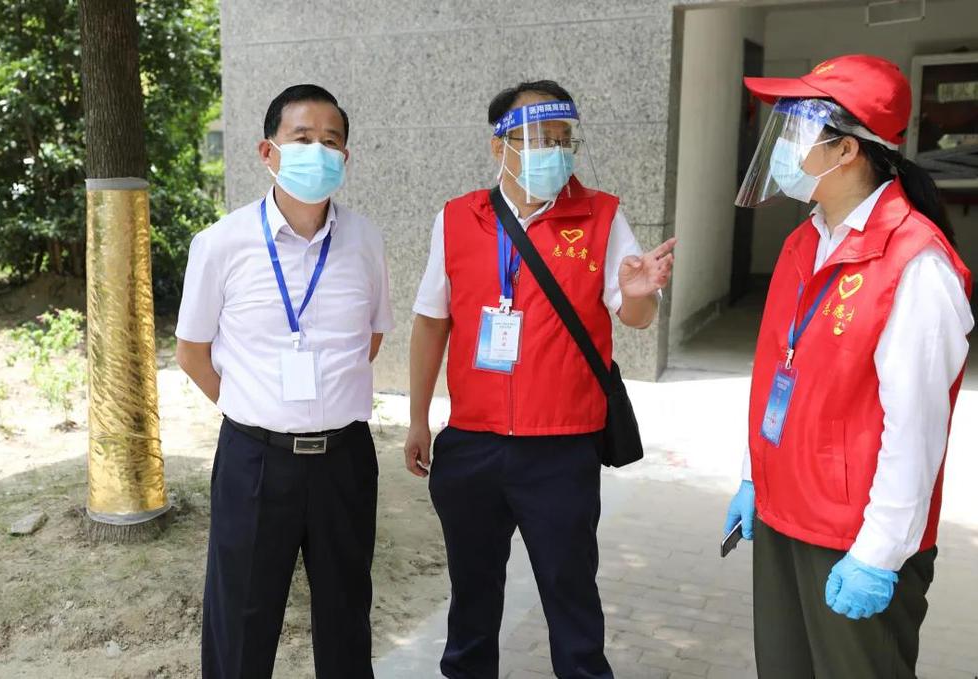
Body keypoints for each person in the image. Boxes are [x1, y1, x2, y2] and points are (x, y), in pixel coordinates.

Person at [404, 79, 675, 679]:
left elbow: (634, 314)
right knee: (472, 594)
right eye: (536, 139)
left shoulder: (601, 215)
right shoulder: (457, 219)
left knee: (569, 592)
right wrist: (419, 418)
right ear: (498, 147)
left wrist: (639, 293)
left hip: (561, 446)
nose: (552, 151)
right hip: (472, 442)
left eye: (561, 139)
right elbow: (430, 322)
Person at [723, 55, 973, 677]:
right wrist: (755, 475)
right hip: (783, 512)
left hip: (851, 539)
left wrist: (880, 553)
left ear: (847, 150)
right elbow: (781, 376)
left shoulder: (914, 264)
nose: (783, 148)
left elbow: (916, 430)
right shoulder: (805, 240)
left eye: (797, 132)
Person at [175, 84, 393, 679]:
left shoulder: (366, 240)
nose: (317, 151)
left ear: (345, 158)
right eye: (302, 138)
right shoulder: (221, 243)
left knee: (347, 616)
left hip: (345, 461)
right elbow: (192, 352)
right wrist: (255, 407)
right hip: (255, 461)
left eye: (331, 141)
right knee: (241, 621)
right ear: (267, 151)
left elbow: (371, 338)